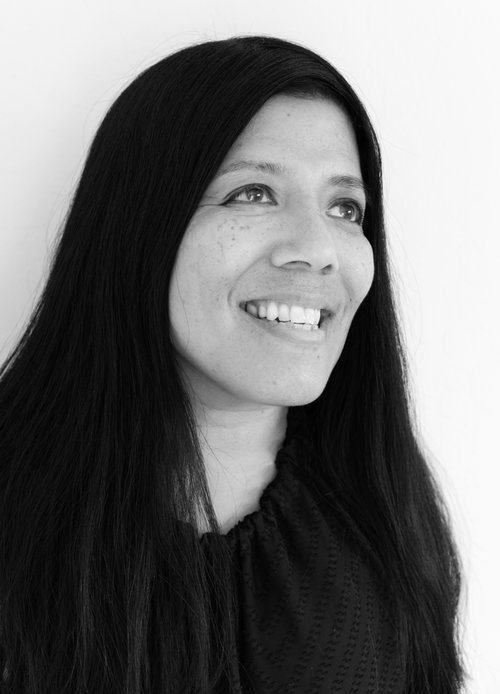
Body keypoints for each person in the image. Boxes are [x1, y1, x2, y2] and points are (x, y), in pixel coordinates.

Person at [0, 36, 466, 693]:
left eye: (345, 208)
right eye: (253, 193)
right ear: (139, 224)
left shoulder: (389, 512)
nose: (318, 248)